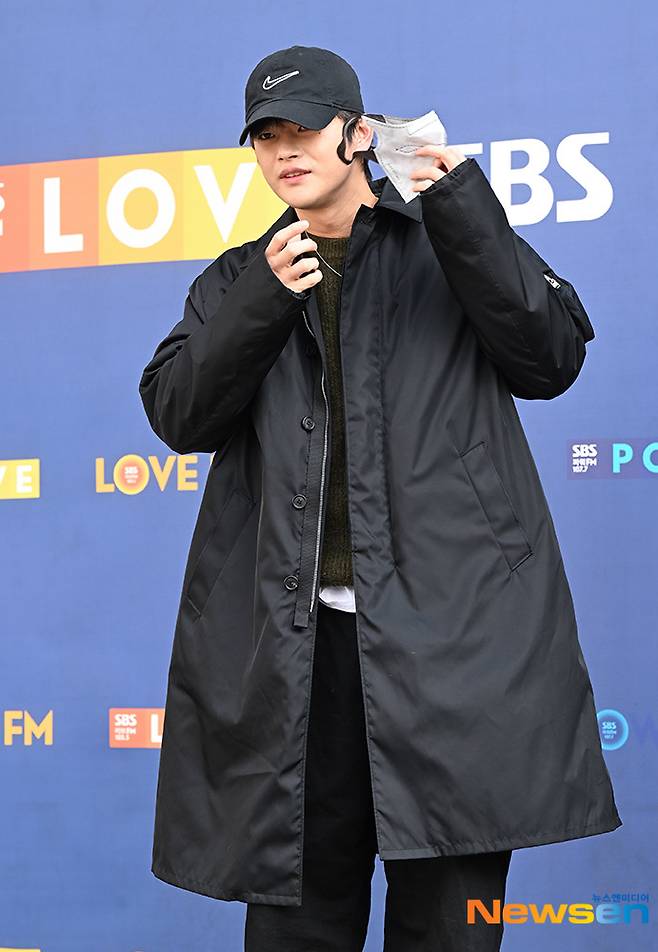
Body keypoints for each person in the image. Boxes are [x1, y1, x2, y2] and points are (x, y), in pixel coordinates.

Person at [139, 44, 621, 952]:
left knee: (450, 929)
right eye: (266, 136)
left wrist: (464, 209)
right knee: (298, 930)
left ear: (358, 134)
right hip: (296, 660)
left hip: (454, 647)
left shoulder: (448, 244)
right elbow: (177, 413)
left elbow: (551, 357)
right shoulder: (239, 276)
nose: (286, 150)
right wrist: (264, 298)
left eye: (305, 128)